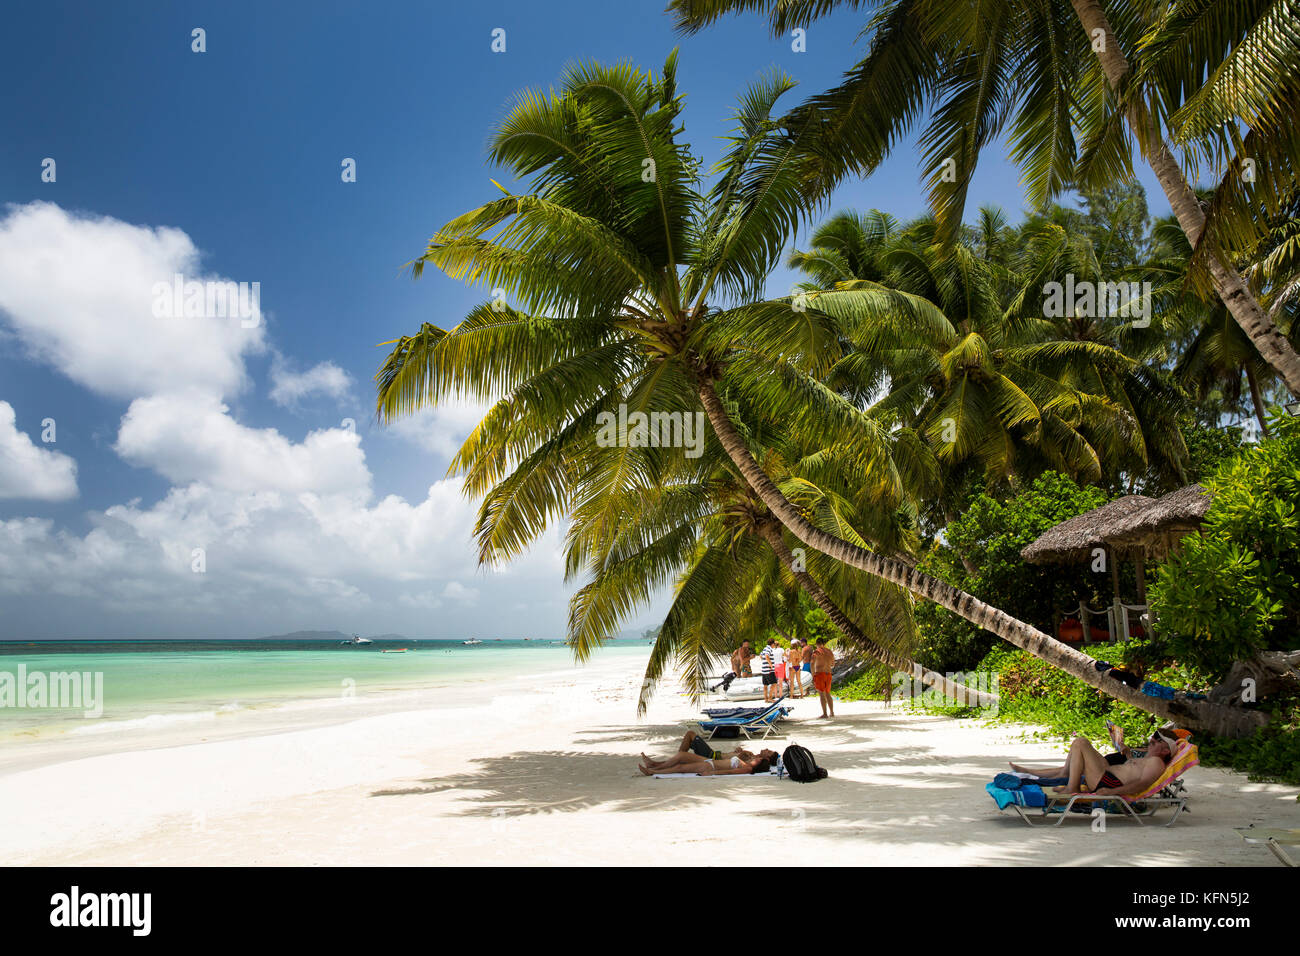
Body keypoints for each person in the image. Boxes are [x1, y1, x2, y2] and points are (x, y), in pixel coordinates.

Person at [1009, 728, 1182, 778]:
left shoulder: (1155, 761)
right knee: (1067, 768)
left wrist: (1128, 754)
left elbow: (1137, 772)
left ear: (1165, 749)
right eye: (1152, 739)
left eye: (1155, 740)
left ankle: (1030, 773)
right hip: (1110, 764)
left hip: (1109, 768)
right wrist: (1123, 747)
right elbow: (1132, 760)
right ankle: (1029, 772)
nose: (1151, 742)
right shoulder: (1148, 753)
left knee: (1070, 766)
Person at [1051, 732, 1175, 795]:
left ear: (1165, 751)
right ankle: (1070, 781)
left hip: (1109, 783)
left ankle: (1072, 787)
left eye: (1158, 740)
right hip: (1106, 774)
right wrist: (1128, 755)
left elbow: (1143, 784)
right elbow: (1134, 771)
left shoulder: (1157, 762)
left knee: (1081, 742)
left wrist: (1111, 792)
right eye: (1154, 736)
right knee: (1079, 744)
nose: (1152, 739)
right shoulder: (1148, 758)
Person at [638, 738, 778, 776]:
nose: (757, 758)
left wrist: (711, 773)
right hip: (711, 762)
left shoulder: (747, 768)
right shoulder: (749, 762)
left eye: (760, 760)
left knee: (680, 766)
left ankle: (653, 771)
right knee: (681, 756)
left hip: (710, 765)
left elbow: (729, 772)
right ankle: (655, 766)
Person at [809, 637, 835, 719]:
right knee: (828, 693)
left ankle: (825, 713)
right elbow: (833, 663)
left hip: (820, 674)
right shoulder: (829, 651)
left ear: (817, 644)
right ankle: (832, 712)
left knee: (821, 694)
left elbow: (812, 664)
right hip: (829, 674)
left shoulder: (816, 652)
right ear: (824, 643)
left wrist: (813, 675)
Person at [759, 638, 779, 702]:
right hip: (769, 670)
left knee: (765, 685)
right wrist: (770, 664)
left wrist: (764, 661)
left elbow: (761, 656)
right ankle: (770, 698)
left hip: (764, 670)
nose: (774, 645)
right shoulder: (769, 649)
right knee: (774, 684)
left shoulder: (765, 648)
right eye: (774, 644)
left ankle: (766, 699)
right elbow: (767, 656)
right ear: (772, 644)